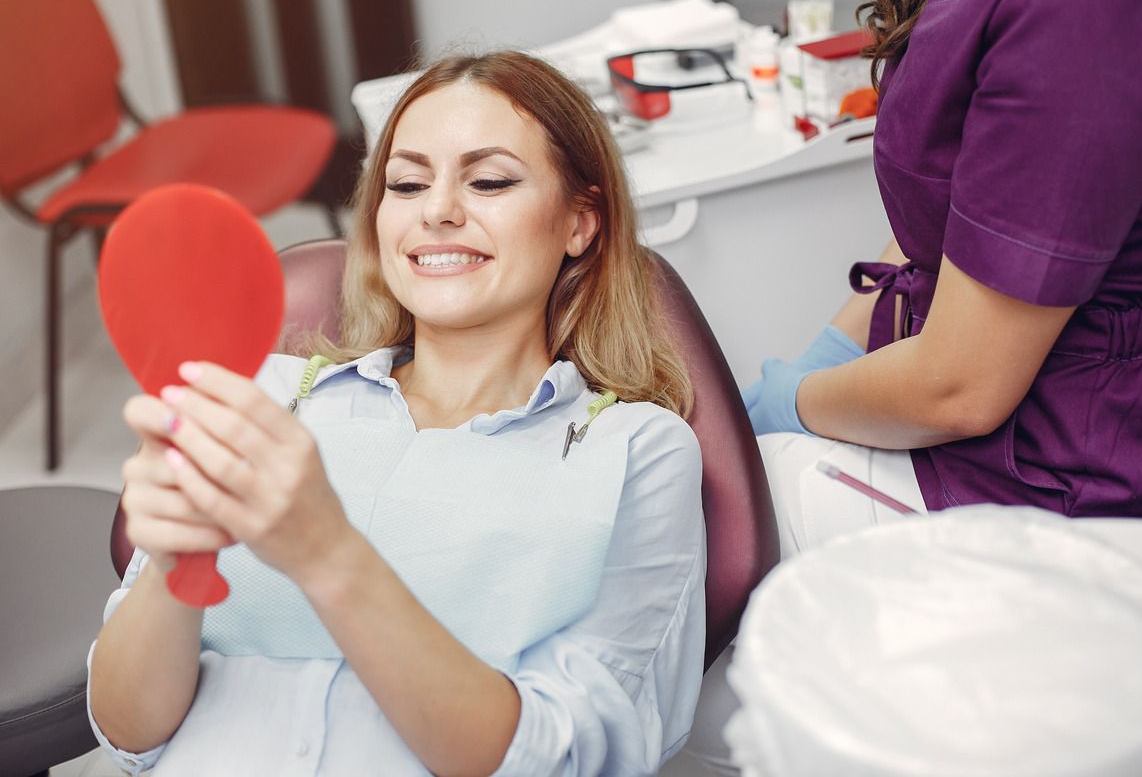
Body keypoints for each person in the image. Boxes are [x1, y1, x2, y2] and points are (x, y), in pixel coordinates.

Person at [87, 50, 707, 777]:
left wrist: (328, 554)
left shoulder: (635, 451)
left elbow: (565, 757)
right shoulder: (265, 397)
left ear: (580, 222)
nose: (437, 210)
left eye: (490, 180)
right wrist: (174, 562)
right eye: (407, 183)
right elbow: (127, 734)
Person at [685, 0, 1142, 773]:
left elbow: (961, 388)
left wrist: (793, 403)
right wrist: (831, 344)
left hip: (1081, 481)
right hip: (1004, 413)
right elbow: (968, 223)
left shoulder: (1089, 2)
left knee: (710, 524)